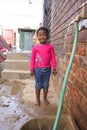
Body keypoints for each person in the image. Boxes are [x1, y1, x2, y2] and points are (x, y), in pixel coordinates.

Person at [30, 27, 57, 106]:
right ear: (37, 36)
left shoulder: (50, 47)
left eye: (44, 35)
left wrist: (54, 68)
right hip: (37, 70)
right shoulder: (35, 47)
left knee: (46, 84)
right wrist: (31, 69)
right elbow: (32, 59)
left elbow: (53, 58)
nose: (42, 37)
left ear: (47, 36)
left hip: (47, 70)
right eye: (40, 35)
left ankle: (45, 98)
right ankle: (37, 99)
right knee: (38, 84)